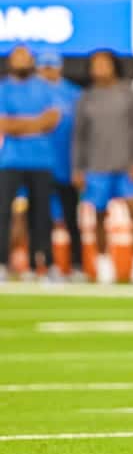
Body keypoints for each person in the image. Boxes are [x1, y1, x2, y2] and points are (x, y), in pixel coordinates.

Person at [73, 50, 133, 285]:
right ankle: (104, 265)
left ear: (114, 66)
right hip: (96, 165)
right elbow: (79, 136)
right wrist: (78, 167)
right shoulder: (87, 97)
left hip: (126, 165)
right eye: (96, 65)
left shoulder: (129, 94)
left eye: (104, 64)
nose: (100, 69)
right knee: (98, 216)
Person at [0, 45, 61, 281]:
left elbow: (52, 120)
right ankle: (2, 263)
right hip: (10, 161)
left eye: (25, 58)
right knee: (3, 212)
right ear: (10, 62)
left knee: (42, 215)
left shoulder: (44, 87)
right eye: (17, 58)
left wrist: (20, 125)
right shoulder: (3, 88)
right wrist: (36, 124)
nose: (21, 62)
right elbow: (5, 125)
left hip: (42, 161)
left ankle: (44, 264)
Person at [36, 50, 82, 277]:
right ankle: (46, 264)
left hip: (67, 166)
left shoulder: (74, 94)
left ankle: (76, 265)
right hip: (38, 165)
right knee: (40, 219)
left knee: (71, 219)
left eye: (51, 66)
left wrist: (80, 165)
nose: (47, 71)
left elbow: (82, 134)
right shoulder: (31, 93)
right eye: (44, 67)